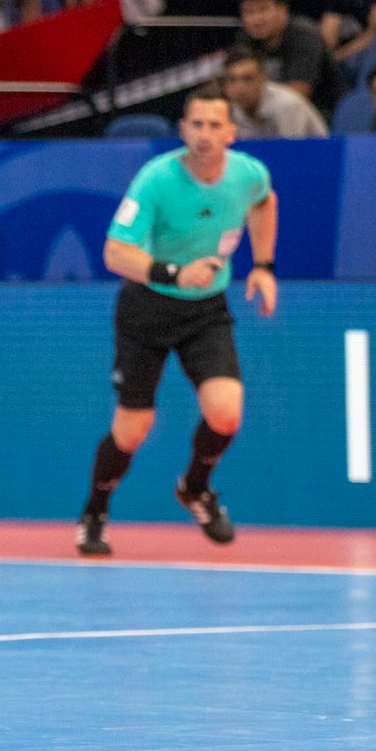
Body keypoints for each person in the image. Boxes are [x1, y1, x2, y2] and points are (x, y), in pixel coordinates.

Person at [76, 81, 278, 557]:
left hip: (206, 309)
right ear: (183, 129)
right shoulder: (156, 179)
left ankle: (195, 487)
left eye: (215, 125)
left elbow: (264, 202)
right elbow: (114, 252)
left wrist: (264, 267)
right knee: (132, 429)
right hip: (147, 307)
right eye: (196, 124)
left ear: (231, 132)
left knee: (226, 413)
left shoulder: (249, 174)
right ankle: (94, 513)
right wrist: (174, 272)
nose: (205, 134)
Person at [234, 0, 341, 113]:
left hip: (320, 115)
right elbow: (233, 86)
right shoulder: (244, 39)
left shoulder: (304, 36)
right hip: (265, 116)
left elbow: (296, 97)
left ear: (283, 10)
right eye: (249, 12)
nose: (256, 20)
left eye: (263, 10)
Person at [221, 46, 327, 138]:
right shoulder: (231, 110)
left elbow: (293, 152)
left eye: (248, 79)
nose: (240, 88)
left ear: (263, 79)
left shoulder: (287, 106)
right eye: (232, 80)